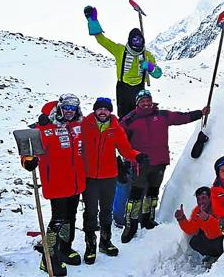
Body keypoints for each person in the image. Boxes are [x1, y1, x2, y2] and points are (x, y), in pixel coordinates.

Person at [119, 90, 209, 243]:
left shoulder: (162, 115)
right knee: (135, 197)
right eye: (142, 101)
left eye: (148, 100)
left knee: (153, 194)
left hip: (160, 162)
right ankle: (131, 225)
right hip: (140, 164)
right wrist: (125, 158)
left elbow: (181, 117)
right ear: (137, 103)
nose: (146, 104)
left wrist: (200, 113)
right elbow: (119, 140)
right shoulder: (129, 120)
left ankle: (148, 219)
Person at [21, 94, 86, 276]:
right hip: (56, 183)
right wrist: (28, 161)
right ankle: (48, 257)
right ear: (59, 108)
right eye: (66, 108)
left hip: (75, 182)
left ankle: (64, 248)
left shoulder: (78, 125)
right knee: (58, 219)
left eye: (73, 109)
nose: (69, 112)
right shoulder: (45, 127)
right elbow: (28, 150)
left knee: (71, 217)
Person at [80, 97, 149, 264]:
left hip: (109, 177)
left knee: (106, 211)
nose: (103, 112)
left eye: (106, 109)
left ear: (110, 111)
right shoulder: (84, 125)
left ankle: (105, 242)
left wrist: (136, 155)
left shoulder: (115, 128)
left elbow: (125, 149)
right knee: (90, 212)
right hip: (89, 177)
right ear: (95, 110)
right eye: (100, 109)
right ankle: (90, 245)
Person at [84, 5, 162, 118]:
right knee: (124, 118)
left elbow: (158, 74)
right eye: (134, 39)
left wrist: (151, 68)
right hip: (123, 89)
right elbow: (102, 40)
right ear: (130, 40)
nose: (137, 42)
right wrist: (93, 21)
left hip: (139, 89)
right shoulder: (120, 50)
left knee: (140, 117)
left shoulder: (147, 55)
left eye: (139, 39)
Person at [174, 186, 224, 266]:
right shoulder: (197, 211)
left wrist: (208, 219)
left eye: (204, 198)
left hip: (223, 239)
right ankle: (214, 255)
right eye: (198, 199)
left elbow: (221, 229)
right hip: (211, 238)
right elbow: (192, 229)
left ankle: (223, 255)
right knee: (194, 241)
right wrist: (181, 219)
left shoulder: (218, 206)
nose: (201, 202)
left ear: (210, 198)